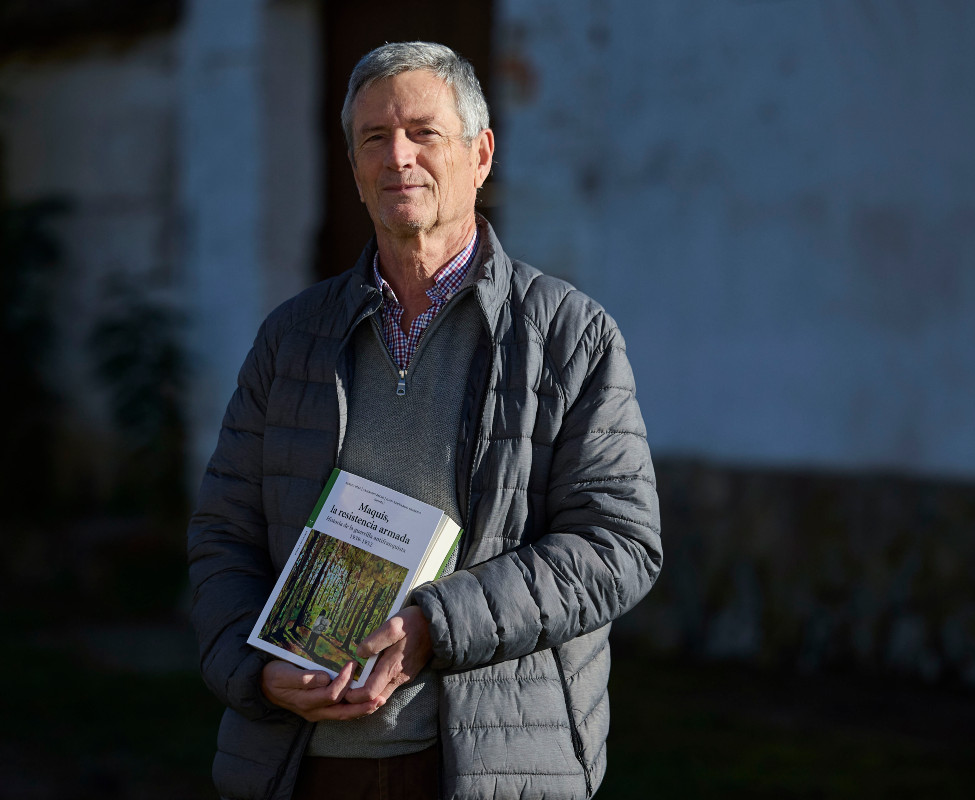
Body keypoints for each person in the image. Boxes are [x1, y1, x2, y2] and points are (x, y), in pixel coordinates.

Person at [187, 41, 662, 800]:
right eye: (374, 137)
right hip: (303, 766)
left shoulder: (572, 336)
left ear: (481, 155)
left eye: (422, 132)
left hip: (488, 765)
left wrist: (435, 627)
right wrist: (256, 671)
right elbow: (223, 536)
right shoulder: (292, 337)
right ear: (352, 167)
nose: (397, 156)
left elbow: (619, 544)